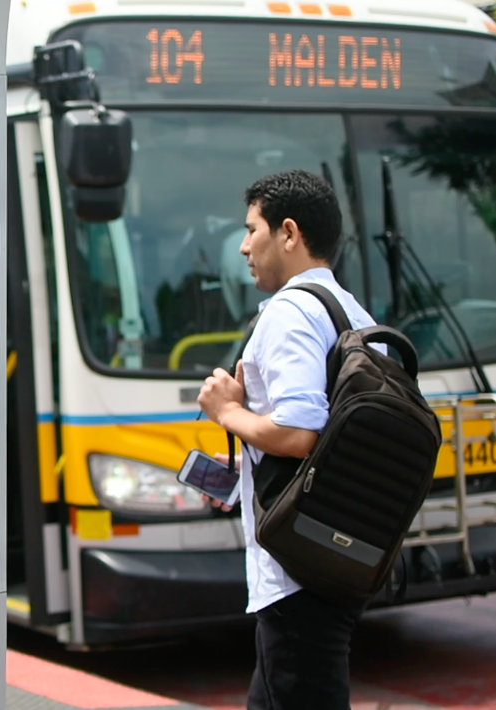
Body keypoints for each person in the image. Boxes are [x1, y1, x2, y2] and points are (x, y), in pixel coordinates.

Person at [196, 169, 376, 710]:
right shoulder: (351, 314)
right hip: (335, 555)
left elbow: (300, 433)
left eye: (252, 230)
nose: (244, 246)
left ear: (289, 234)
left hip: (297, 571)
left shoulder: (291, 314)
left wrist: (228, 412)